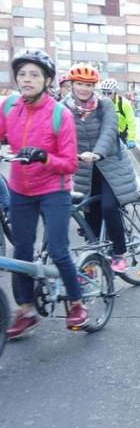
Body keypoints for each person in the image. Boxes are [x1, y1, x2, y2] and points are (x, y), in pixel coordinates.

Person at [1, 50, 87, 337]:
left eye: (34, 74)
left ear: (47, 80)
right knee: (22, 252)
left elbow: (70, 163)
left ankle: (77, 303)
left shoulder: (60, 114)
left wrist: (43, 157)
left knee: (60, 250)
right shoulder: (10, 106)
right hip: (20, 190)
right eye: (22, 74)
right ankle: (26, 310)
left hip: (54, 190)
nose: (26, 79)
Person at [64, 64, 139, 274]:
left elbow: (109, 131)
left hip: (110, 163)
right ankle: (93, 257)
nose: (83, 89)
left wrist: (97, 153)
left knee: (108, 206)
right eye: (79, 84)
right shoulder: (64, 108)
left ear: (94, 86)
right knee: (89, 212)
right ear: (71, 85)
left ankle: (119, 252)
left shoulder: (104, 105)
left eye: (88, 85)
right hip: (83, 168)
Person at [97, 78, 137, 149]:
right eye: (103, 93)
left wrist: (131, 138)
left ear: (115, 92)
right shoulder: (99, 102)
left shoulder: (124, 103)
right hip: (105, 132)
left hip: (120, 133)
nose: (106, 96)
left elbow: (131, 121)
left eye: (109, 93)